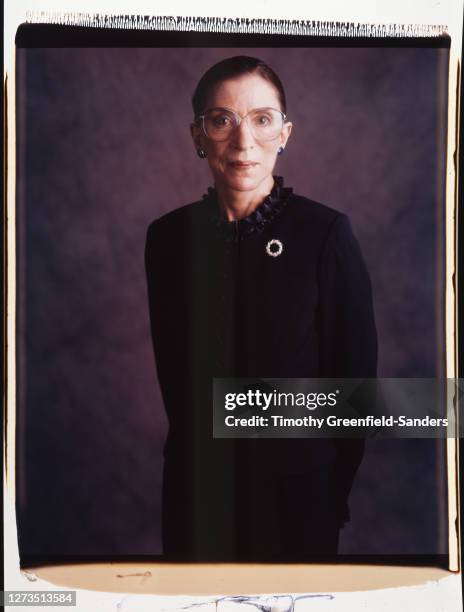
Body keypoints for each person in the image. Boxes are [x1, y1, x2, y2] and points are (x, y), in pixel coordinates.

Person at [145, 56, 377, 561]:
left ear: (285, 133)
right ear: (198, 134)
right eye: (222, 120)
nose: (243, 142)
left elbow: (356, 384)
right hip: (195, 496)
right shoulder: (167, 239)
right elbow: (175, 379)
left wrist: (328, 490)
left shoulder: (325, 234)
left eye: (262, 119)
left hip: (299, 499)